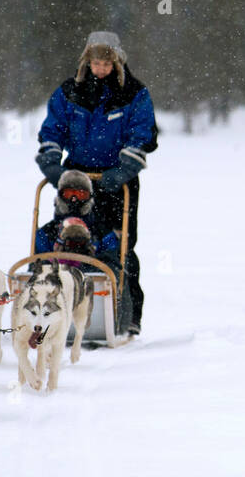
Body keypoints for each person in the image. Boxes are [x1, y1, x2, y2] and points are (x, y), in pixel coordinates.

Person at [35, 32, 158, 335]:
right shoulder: (69, 91)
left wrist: (123, 169)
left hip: (117, 181)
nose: (100, 68)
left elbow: (143, 135)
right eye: (95, 62)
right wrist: (52, 164)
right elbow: (53, 129)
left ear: (117, 63)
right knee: (67, 240)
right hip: (76, 181)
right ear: (86, 61)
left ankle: (125, 314)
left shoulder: (134, 94)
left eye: (106, 63)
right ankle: (52, 308)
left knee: (119, 246)